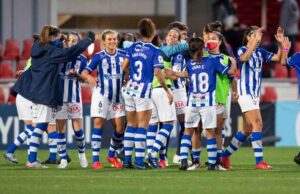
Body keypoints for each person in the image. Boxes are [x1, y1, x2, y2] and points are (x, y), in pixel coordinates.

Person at [11, 25, 94, 168]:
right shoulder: (51, 52)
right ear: (52, 37)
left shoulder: (38, 46)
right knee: (40, 125)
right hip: (43, 91)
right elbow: (70, 52)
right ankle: (31, 160)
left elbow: (51, 45)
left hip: (34, 90)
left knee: (40, 125)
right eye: (57, 37)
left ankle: (36, 158)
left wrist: (59, 41)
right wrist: (88, 41)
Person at [221, 26, 286, 170]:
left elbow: (277, 58)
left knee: (247, 129)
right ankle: (259, 161)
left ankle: (224, 157)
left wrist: (281, 44)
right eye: (256, 34)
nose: (259, 37)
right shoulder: (242, 49)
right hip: (245, 92)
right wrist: (252, 44)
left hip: (254, 95)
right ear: (249, 37)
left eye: (260, 35)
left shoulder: (260, 52)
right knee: (258, 124)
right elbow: (243, 58)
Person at [167, 37, 236, 170]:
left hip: (192, 102)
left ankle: (183, 160)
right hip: (207, 102)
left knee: (188, 130)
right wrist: (232, 63)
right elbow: (230, 72)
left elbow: (187, 74)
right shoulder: (212, 61)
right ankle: (212, 163)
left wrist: (174, 73)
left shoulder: (189, 63)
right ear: (203, 49)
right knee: (210, 132)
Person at [122, 18, 173, 169]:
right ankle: (138, 161)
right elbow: (158, 73)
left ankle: (126, 160)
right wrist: (166, 90)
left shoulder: (132, 47)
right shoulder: (154, 50)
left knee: (131, 124)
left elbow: (124, 66)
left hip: (129, 88)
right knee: (142, 125)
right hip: (143, 90)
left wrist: (129, 77)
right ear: (153, 31)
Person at [81, 29, 126, 169]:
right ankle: (95, 160)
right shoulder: (98, 57)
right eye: (110, 39)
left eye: (114, 39)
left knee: (120, 128)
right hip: (102, 95)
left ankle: (111, 154)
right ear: (104, 42)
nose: (113, 41)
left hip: (118, 97)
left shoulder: (124, 55)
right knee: (98, 125)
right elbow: (84, 72)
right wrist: (88, 76)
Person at [54, 32, 88, 169]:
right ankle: (63, 158)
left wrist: (77, 75)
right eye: (69, 40)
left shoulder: (83, 59)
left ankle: (82, 154)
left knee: (78, 129)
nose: (71, 43)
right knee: (60, 129)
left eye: (74, 41)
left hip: (74, 97)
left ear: (78, 43)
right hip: (59, 98)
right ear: (66, 42)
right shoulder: (59, 55)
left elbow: (84, 78)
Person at [146, 32, 177, 168]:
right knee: (169, 124)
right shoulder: (161, 53)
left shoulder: (147, 54)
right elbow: (165, 74)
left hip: (149, 91)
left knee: (153, 125)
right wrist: (168, 91)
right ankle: (153, 153)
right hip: (161, 89)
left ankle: (149, 154)